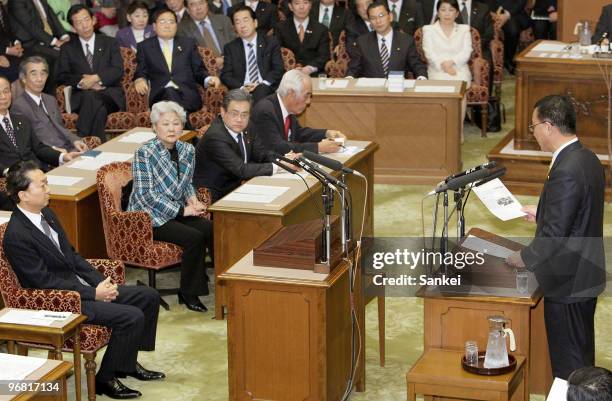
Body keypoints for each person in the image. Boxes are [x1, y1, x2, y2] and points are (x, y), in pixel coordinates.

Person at [3, 160, 165, 400]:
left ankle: (127, 364)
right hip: (59, 301)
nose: (49, 189)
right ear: (23, 195)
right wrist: (92, 293)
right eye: (43, 185)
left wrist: (102, 282)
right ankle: (105, 379)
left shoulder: (46, 212)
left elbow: (72, 255)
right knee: (131, 316)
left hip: (81, 287)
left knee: (148, 296)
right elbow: (43, 281)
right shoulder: (17, 235)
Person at [506, 95, 606, 380]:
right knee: (580, 355)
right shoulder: (586, 157)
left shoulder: (566, 169)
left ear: (548, 126)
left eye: (533, 126)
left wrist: (522, 257)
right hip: (584, 273)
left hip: (568, 282)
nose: (533, 132)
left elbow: (554, 237)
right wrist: (543, 212)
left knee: (570, 367)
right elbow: (579, 211)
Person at [128, 101, 213, 313]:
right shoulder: (145, 153)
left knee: (211, 229)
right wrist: (182, 211)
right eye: (165, 124)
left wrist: (192, 199)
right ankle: (188, 292)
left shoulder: (187, 149)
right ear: (155, 127)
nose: (172, 128)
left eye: (176, 123)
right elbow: (145, 194)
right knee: (193, 237)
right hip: (149, 216)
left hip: (176, 209)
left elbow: (187, 183)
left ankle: (220, 279)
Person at [194, 89, 296, 202]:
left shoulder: (248, 126)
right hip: (214, 195)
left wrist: (285, 159)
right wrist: (280, 166)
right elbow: (241, 169)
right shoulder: (216, 136)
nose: (239, 119)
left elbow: (262, 154)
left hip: (237, 187)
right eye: (234, 113)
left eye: (244, 114)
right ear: (223, 112)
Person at [56, 4, 125, 142]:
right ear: (73, 28)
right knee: (97, 107)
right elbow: (62, 75)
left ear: (93, 20)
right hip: (82, 96)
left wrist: (96, 78)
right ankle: (98, 146)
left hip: (110, 95)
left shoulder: (110, 42)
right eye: (79, 22)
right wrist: (83, 83)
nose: (84, 25)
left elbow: (118, 70)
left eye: (86, 20)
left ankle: (81, 138)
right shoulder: (67, 49)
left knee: (93, 99)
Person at [134, 9, 221, 114]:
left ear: (176, 26)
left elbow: (198, 70)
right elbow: (140, 70)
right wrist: (139, 79)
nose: (167, 25)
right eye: (162, 22)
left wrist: (209, 79)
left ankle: (179, 123)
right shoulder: (145, 47)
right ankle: (186, 125)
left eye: (171, 22)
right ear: (154, 26)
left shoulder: (188, 44)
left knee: (170, 98)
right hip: (159, 95)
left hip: (187, 95)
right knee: (169, 91)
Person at [0, 75, 79, 178]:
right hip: (9, 180)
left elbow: (38, 148)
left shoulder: (21, 120)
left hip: (36, 174)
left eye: (6, 91)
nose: (3, 97)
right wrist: (6, 171)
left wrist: (63, 156)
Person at [251, 69, 345, 155]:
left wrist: (326, 133)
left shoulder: (287, 108)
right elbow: (278, 147)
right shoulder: (265, 111)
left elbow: (298, 133)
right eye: (306, 96)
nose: (308, 101)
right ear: (291, 93)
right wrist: (318, 147)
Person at [12, 56, 87, 153]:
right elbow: (28, 142)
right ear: (23, 78)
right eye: (34, 74)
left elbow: (60, 128)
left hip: (70, 148)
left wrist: (75, 140)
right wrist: (55, 152)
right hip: (49, 156)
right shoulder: (19, 106)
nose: (40, 79)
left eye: (43, 74)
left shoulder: (50, 99)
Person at [346, 1, 427, 79]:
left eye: (381, 15)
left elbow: (417, 65)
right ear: (370, 22)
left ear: (390, 17)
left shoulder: (406, 41)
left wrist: (421, 77)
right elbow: (354, 68)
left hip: (397, 89)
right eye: (373, 18)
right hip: (372, 90)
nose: (378, 21)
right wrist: (349, 78)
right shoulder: (362, 42)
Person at [221, 5, 284, 104]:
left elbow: (278, 68)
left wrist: (263, 84)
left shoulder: (271, 42)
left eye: (245, 20)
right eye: (238, 22)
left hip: (266, 88)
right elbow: (226, 75)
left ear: (255, 23)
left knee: (261, 91)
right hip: (242, 90)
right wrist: (242, 88)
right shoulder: (230, 47)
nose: (242, 25)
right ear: (234, 28)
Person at [8, 0, 70, 93]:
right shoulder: (16, 1)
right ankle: (51, 95)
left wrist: (64, 36)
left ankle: (65, 92)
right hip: (30, 43)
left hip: (47, 38)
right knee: (61, 55)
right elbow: (30, 25)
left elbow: (51, 16)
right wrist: (55, 42)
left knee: (72, 50)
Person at [274, 0, 330, 76]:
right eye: (297, 3)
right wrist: (291, 68)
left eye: (305, 3)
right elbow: (276, 53)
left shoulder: (321, 29)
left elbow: (324, 55)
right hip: (287, 74)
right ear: (290, 7)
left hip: (313, 74)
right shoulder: (280, 28)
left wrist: (309, 68)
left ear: (310, 5)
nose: (301, 7)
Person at [422, 0, 471, 85]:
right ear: (438, 13)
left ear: (457, 14)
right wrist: (444, 66)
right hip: (437, 71)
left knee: (460, 87)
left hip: (459, 70)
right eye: (443, 10)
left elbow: (466, 52)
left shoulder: (464, 29)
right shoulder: (428, 30)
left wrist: (452, 62)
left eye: (451, 10)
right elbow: (429, 53)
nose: (447, 14)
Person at [177, 0, 235, 68]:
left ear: (207, 4)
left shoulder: (223, 20)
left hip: (231, 66)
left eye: (201, 3)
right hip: (204, 73)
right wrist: (212, 62)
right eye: (193, 5)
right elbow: (187, 57)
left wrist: (224, 59)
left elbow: (235, 45)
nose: (198, 8)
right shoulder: (182, 29)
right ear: (187, 9)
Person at [486, 0, 529, 74]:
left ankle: (508, 60)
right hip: (491, 12)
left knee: (513, 29)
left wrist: (507, 14)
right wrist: (492, 13)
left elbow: (521, 2)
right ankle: (491, 60)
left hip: (515, 13)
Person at [0, 2, 24, 83]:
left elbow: (9, 31)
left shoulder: (1, 7)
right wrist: (3, 52)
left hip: (8, 48)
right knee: (15, 72)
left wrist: (17, 43)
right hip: (3, 52)